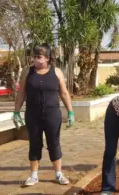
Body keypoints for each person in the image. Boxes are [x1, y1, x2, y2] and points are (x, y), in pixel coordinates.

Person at [13, 43, 75, 186]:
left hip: (52, 113)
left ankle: (58, 174)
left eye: (39, 57)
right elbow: (21, 93)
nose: (36, 60)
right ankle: (33, 176)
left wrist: (70, 112)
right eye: (35, 57)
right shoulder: (27, 72)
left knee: (54, 143)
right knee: (34, 143)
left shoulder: (57, 72)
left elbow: (64, 93)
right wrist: (16, 111)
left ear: (47, 58)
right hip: (33, 114)